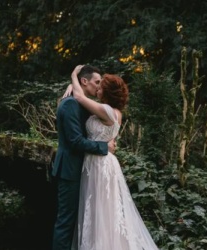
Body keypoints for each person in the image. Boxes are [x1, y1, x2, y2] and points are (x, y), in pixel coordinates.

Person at [67, 65, 159, 250]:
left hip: (99, 164)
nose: (98, 88)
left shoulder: (106, 112)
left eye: (101, 87)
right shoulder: (116, 113)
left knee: (100, 210)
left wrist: (73, 77)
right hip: (103, 161)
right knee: (103, 210)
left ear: (107, 92)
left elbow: (79, 97)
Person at [51, 65, 116, 250]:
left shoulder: (78, 102)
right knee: (66, 222)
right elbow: (75, 141)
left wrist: (73, 86)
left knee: (77, 221)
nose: (99, 87)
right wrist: (105, 147)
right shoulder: (70, 103)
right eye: (97, 82)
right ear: (84, 82)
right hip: (69, 170)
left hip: (82, 170)